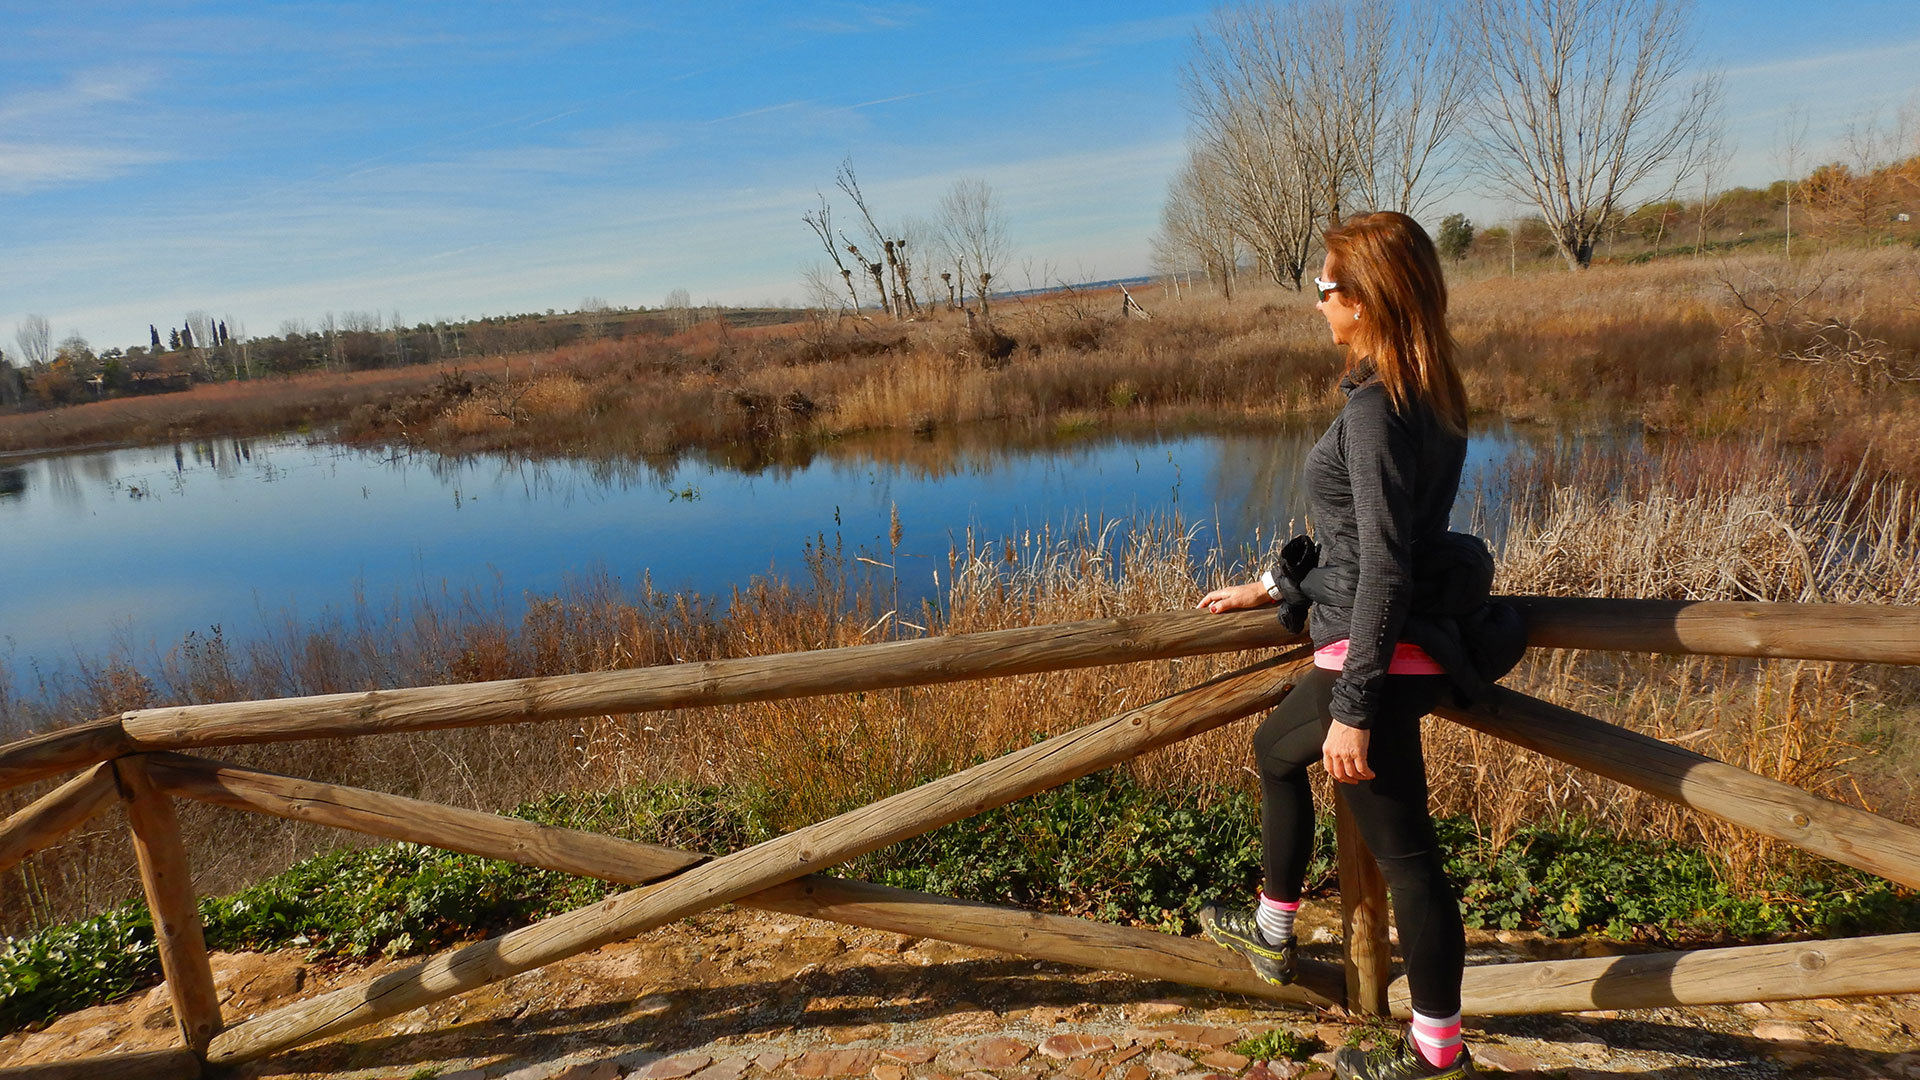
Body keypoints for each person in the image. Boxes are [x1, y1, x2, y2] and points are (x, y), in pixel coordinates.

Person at [1196, 211, 1476, 1080]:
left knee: (1410, 863)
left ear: (1364, 299)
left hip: (1374, 658)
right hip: (1392, 645)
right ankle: (1274, 931)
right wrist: (1273, 587)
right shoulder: (1430, 395)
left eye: (1324, 289)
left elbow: (1383, 560)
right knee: (1275, 752)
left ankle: (1439, 1058)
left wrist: (1352, 711)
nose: (1317, 304)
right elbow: (1359, 538)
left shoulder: (1376, 410)